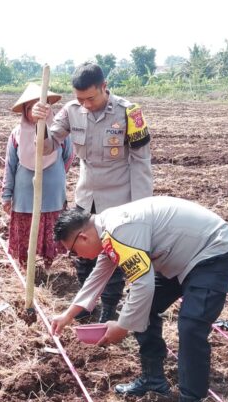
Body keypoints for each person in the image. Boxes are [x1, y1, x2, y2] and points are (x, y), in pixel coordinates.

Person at [50, 197, 228, 402]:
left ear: (84, 238)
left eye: (73, 251)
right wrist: (69, 314)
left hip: (213, 253)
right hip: (182, 258)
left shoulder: (119, 229)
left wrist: (122, 327)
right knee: (144, 307)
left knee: (190, 329)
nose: (76, 257)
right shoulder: (107, 229)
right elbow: (102, 272)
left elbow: (142, 285)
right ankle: (154, 379)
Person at [32, 62, 152, 324]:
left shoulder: (129, 112)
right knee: (81, 251)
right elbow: (47, 146)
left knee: (114, 256)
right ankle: (86, 307)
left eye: (91, 98)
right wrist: (39, 121)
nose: (85, 104)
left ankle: (109, 308)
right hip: (87, 196)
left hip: (120, 198)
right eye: (80, 99)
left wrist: (142, 207)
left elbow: (141, 161)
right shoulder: (71, 111)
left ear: (104, 87)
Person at [2, 83, 74, 270]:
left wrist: (55, 175)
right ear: (25, 112)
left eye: (41, 106)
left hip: (52, 195)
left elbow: (68, 158)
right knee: (26, 234)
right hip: (25, 196)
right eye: (31, 107)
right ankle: (27, 268)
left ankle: (49, 267)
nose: (36, 111)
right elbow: (10, 165)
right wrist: (6, 195)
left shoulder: (60, 133)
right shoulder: (16, 135)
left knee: (51, 231)